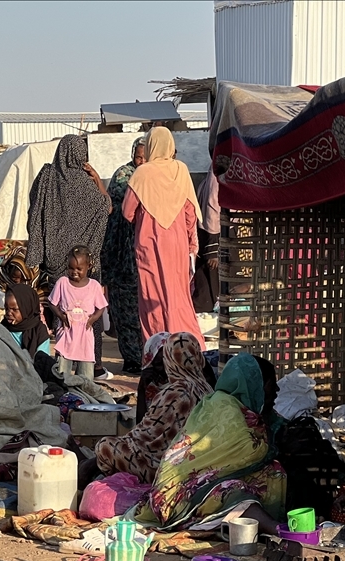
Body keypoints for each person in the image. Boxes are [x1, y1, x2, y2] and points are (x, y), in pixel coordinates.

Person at [134, 353, 285, 534]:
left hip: (206, 479)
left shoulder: (248, 410)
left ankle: (259, 523)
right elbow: (250, 452)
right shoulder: (224, 407)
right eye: (271, 383)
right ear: (253, 385)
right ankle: (275, 529)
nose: (276, 389)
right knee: (232, 491)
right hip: (178, 493)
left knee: (274, 472)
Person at [25, 135, 112, 379]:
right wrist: (96, 180)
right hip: (85, 266)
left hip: (55, 261)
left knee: (61, 315)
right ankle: (91, 366)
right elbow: (106, 209)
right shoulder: (87, 186)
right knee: (87, 314)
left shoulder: (47, 178)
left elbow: (34, 209)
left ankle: (62, 365)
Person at [123, 127, 205, 347]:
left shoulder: (142, 173)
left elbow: (127, 212)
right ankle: (190, 347)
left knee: (152, 299)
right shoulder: (181, 170)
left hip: (149, 244)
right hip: (177, 243)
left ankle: (158, 351)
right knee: (178, 296)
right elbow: (190, 213)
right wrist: (190, 244)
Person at [94, 333, 213, 484]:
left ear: (170, 360)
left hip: (167, 469)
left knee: (104, 447)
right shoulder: (206, 388)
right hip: (193, 463)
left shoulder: (175, 392)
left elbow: (141, 439)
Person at [102, 138, 148, 373]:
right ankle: (131, 359)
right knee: (124, 309)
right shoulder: (123, 174)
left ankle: (149, 357)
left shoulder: (155, 175)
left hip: (145, 253)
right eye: (138, 156)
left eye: (144, 156)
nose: (140, 161)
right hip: (121, 251)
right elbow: (116, 208)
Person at [48, 247, 108, 381]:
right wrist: (61, 316)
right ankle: (63, 396)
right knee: (62, 374)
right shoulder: (62, 283)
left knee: (85, 376)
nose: (74, 272)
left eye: (79, 269)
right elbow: (52, 303)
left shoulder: (94, 286)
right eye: (71, 268)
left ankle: (84, 398)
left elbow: (101, 307)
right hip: (66, 335)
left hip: (85, 337)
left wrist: (92, 319)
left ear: (89, 266)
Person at [192, 169, 221, 314]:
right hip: (214, 235)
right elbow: (212, 207)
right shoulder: (216, 174)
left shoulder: (216, 173)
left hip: (214, 235)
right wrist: (213, 248)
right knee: (210, 285)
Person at [3, 284, 50, 360]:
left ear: (27, 308)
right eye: (6, 308)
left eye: (14, 309)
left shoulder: (39, 331)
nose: (9, 313)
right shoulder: (3, 328)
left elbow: (43, 362)